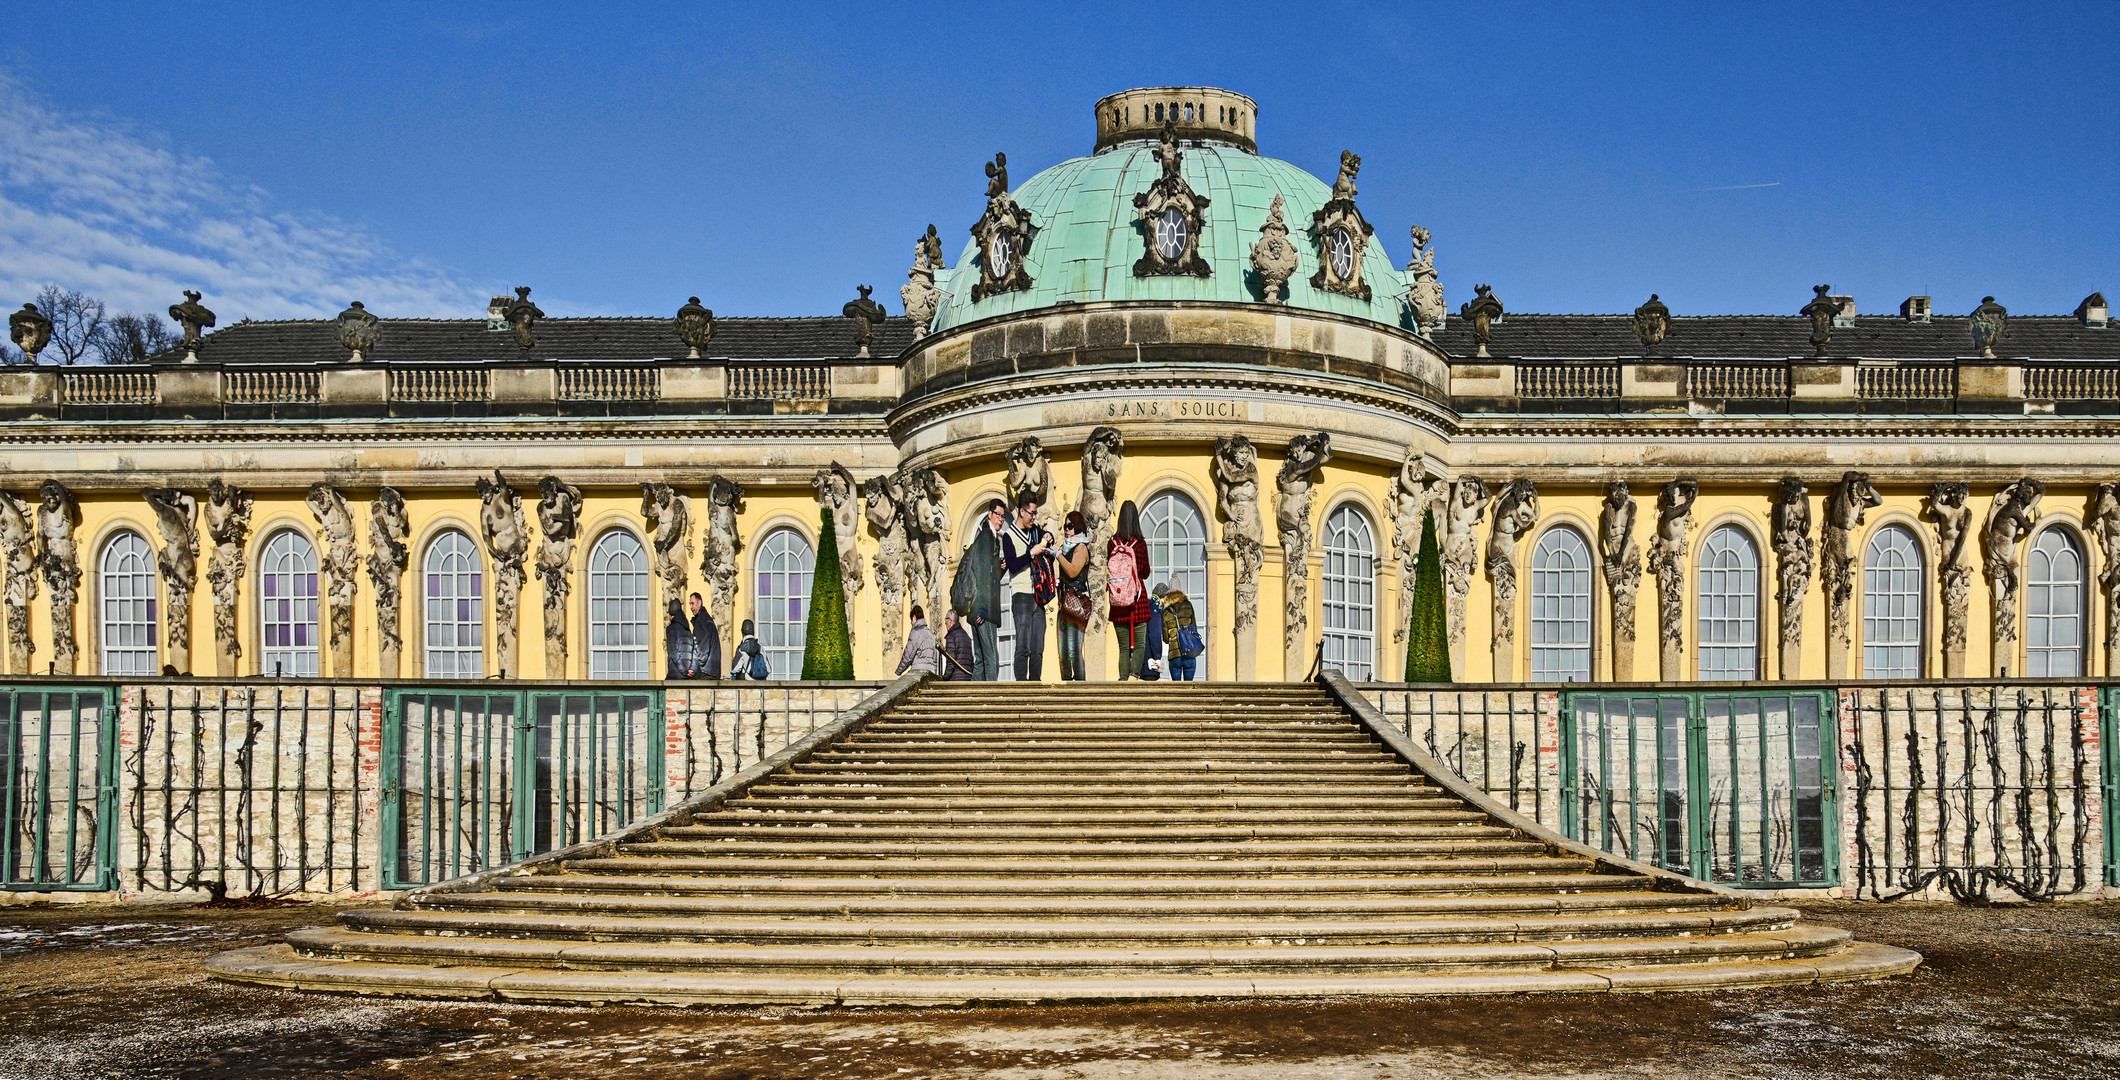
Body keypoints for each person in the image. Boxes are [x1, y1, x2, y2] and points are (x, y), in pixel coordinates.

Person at [952, 499, 1006, 680]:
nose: (1000, 519)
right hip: (984, 610)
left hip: (975, 609)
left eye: (1003, 517)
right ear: (990, 514)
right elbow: (982, 573)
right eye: (997, 515)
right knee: (991, 658)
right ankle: (992, 703)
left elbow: (985, 573)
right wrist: (983, 607)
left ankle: (974, 698)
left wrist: (1000, 568)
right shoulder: (987, 538)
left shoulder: (984, 539)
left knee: (981, 660)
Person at [1000, 497, 1052, 681]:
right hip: (1021, 594)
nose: (1034, 517)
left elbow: (1047, 539)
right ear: (1022, 511)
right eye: (1032, 513)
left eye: (1035, 513)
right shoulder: (1008, 536)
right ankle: (1021, 687)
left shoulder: (1035, 531)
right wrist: (1032, 553)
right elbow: (1012, 565)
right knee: (1023, 645)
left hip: (1038, 594)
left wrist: (1048, 537)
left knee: (1038, 646)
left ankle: (1035, 683)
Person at [1106, 499, 1152, 679]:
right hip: (1137, 598)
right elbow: (1146, 572)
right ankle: (1133, 677)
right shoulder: (1140, 543)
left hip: (1118, 599)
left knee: (1123, 647)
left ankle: (1123, 682)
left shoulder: (1112, 544)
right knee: (1140, 644)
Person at [1055, 511, 1092, 681]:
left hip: (1076, 602)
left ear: (1078, 527)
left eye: (1070, 526)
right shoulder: (1068, 547)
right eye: (1065, 526)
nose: (1067, 530)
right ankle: (1066, 689)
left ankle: (1080, 692)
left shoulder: (1081, 547)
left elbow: (1072, 571)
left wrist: (1057, 555)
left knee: (1074, 649)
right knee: (1063, 651)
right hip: (1065, 603)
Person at [1153, 581, 1200, 682]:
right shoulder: (1188, 605)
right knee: (1189, 689)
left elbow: (1165, 639)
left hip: (1174, 655)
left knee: (1176, 689)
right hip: (1189, 652)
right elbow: (1194, 627)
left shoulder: (1166, 611)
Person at [896, 604, 941, 676]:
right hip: (931, 671)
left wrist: (899, 671)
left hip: (918, 671)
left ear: (914, 617)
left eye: (911, 620)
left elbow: (908, 655)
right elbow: (935, 657)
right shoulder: (931, 634)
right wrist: (934, 671)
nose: (911, 623)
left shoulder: (916, 633)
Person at [687, 591, 722, 680]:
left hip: (707, 671)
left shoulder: (701, 620)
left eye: (692, 603)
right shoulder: (708, 619)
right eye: (690, 604)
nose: (691, 607)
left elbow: (702, 649)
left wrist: (694, 668)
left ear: (699, 602)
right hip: (714, 669)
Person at [939, 608, 976, 680]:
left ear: (950, 621)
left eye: (946, 620)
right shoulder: (966, 635)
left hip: (956, 678)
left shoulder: (951, 636)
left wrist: (945, 677)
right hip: (967, 678)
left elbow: (951, 661)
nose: (945, 623)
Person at [663, 598, 694, 679]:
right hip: (687, 675)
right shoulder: (687, 629)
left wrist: (684, 671)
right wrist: (689, 670)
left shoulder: (671, 628)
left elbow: (674, 653)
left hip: (675, 674)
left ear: (671, 615)